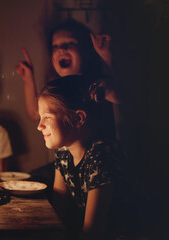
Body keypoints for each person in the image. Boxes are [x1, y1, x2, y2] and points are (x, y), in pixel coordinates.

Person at [37, 75, 126, 239]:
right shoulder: (63, 153)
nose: (39, 126)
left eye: (47, 117)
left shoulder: (101, 155)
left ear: (78, 118)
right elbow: (58, 213)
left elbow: (92, 232)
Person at [16, 18, 119, 140]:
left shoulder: (96, 82)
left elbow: (122, 95)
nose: (61, 49)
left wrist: (108, 57)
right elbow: (35, 113)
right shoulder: (57, 88)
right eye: (55, 46)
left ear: (85, 51)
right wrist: (28, 79)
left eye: (70, 43)